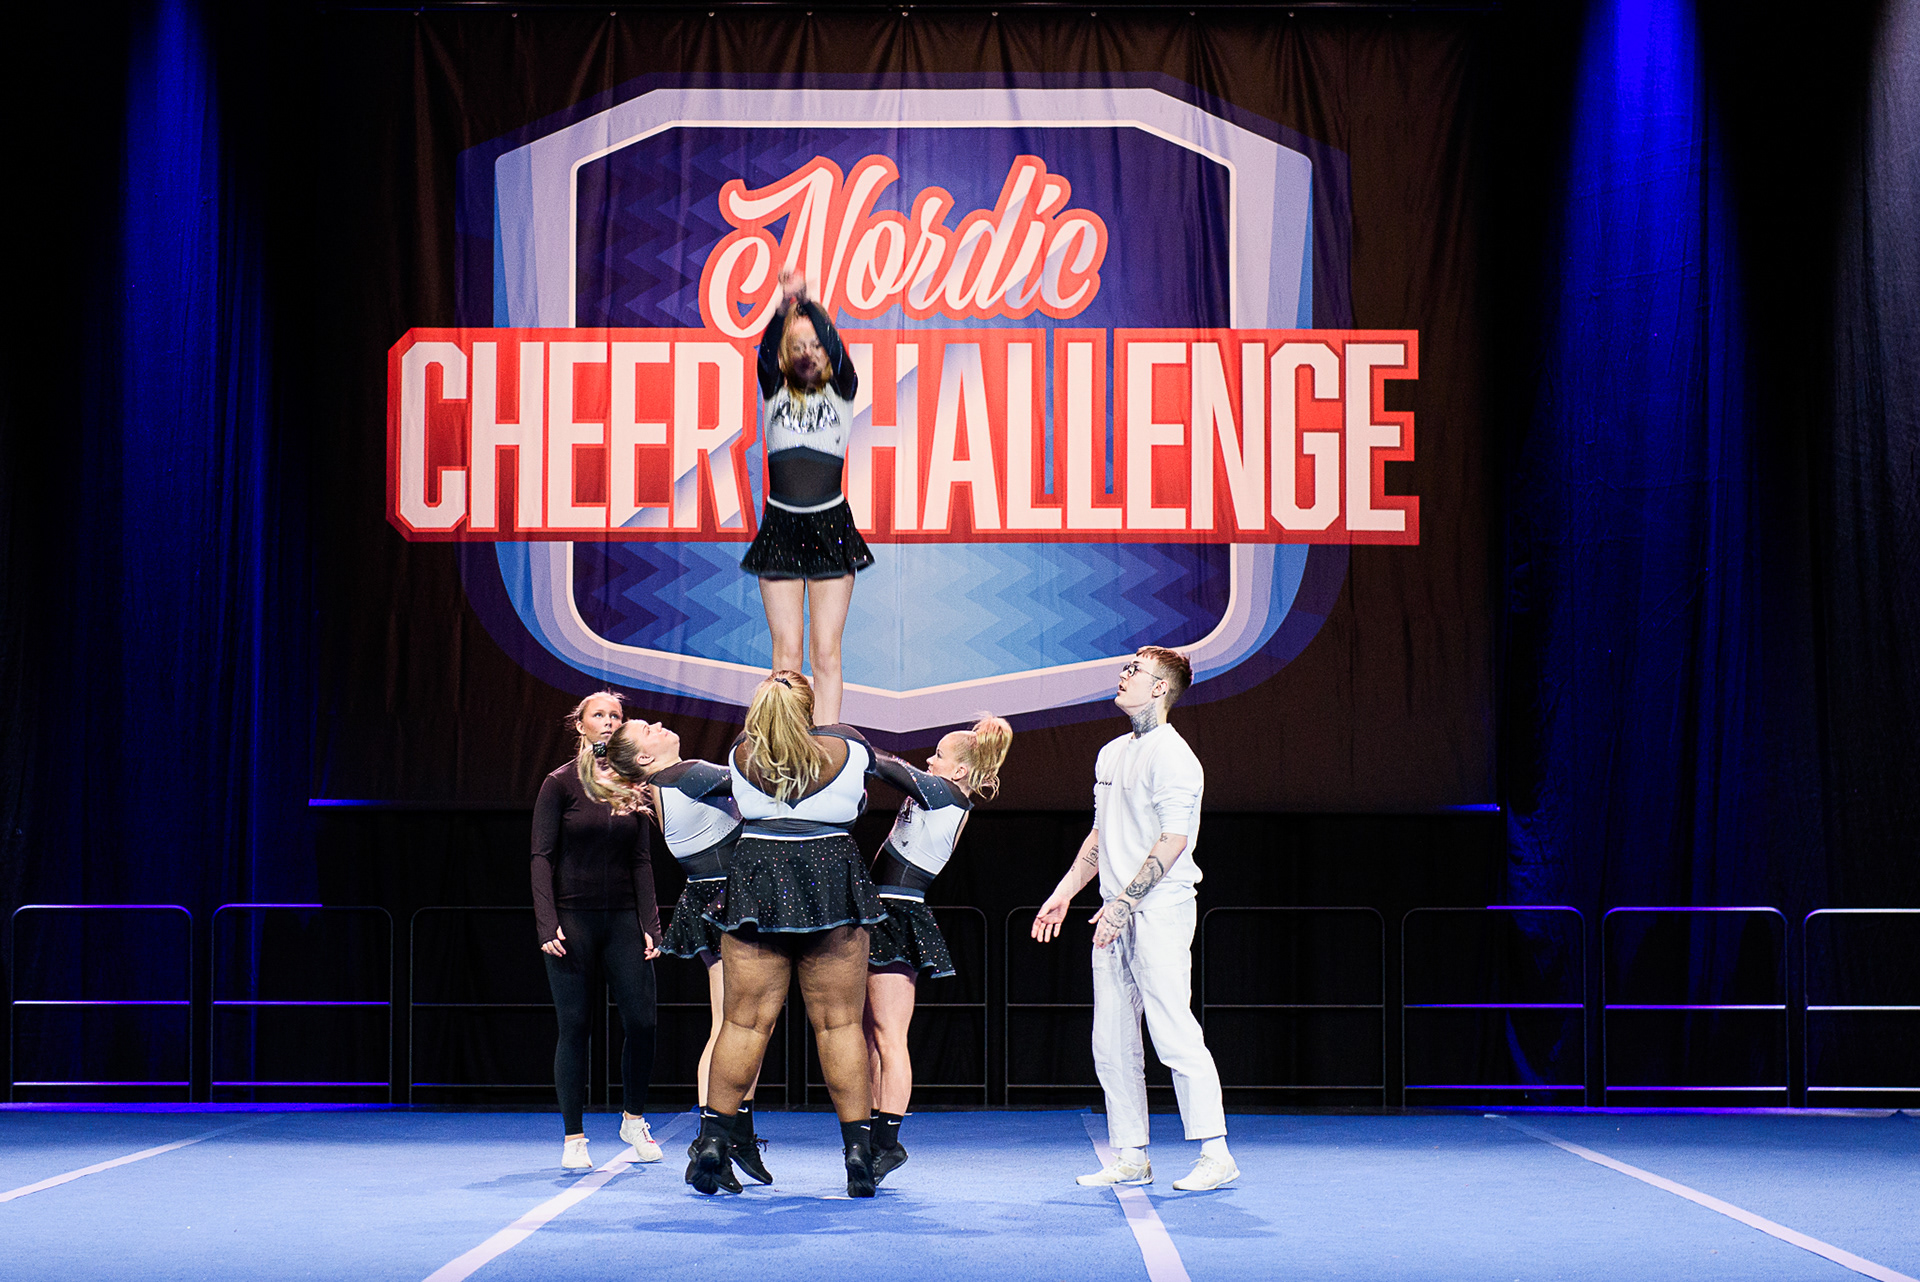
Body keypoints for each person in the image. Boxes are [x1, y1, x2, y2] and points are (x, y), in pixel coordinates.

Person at [686, 671, 937, 1197]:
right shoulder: (848, 744)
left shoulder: (740, 753)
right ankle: (858, 1154)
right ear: (811, 708)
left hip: (757, 877)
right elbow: (928, 790)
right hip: (830, 877)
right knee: (839, 1025)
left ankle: (712, 1141)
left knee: (743, 1023)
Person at [1031, 648, 1238, 1191]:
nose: (1123, 676)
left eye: (1134, 671)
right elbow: (1100, 836)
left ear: (1160, 688)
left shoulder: (1175, 757)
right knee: (1112, 1040)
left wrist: (1125, 903)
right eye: (1125, 669)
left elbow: (1173, 840)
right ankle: (1130, 1155)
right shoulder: (1111, 753)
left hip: (1159, 909)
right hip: (1112, 912)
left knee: (1172, 1030)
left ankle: (1215, 1152)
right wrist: (1064, 892)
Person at [589, 716, 772, 1185]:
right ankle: (715, 1140)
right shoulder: (685, 774)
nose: (658, 724)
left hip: (716, 896)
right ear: (645, 757)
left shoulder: (668, 781)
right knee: (735, 1028)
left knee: (735, 1025)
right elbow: (759, 779)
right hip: (729, 900)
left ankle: (731, 1135)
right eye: (647, 729)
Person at [863, 716, 1013, 1184]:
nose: (930, 760)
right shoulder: (939, 791)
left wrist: (833, 735)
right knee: (869, 1035)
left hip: (899, 912)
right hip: (881, 907)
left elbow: (885, 766)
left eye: (939, 756)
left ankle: (889, 1142)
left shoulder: (947, 794)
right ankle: (871, 1131)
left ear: (960, 771)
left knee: (889, 1036)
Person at [531, 692, 663, 1171]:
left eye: (616, 716)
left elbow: (641, 860)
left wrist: (650, 924)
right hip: (573, 921)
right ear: (580, 725)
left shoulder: (632, 784)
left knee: (643, 1022)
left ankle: (633, 1119)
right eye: (599, 715)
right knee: (576, 1027)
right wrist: (547, 922)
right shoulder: (560, 783)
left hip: (623, 920)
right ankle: (574, 1136)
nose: (608, 722)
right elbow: (541, 856)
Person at [739, 270, 870, 726]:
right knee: (786, 654)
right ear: (784, 354)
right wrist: (784, 306)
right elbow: (765, 350)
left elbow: (838, 351)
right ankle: (786, 741)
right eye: (798, 346)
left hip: (830, 525)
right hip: (781, 526)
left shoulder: (843, 390)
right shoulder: (774, 389)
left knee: (826, 651)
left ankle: (830, 743)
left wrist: (808, 304)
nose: (808, 353)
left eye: (815, 345)